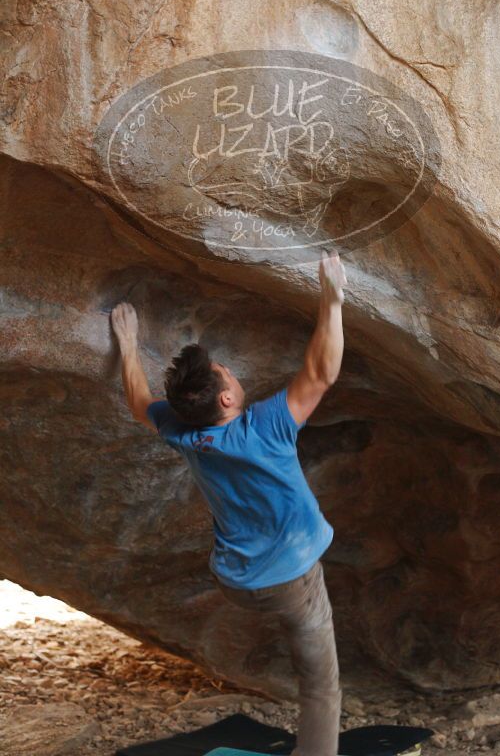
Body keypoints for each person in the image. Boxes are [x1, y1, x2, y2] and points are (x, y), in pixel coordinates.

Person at [111, 248, 347, 756]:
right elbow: (321, 371)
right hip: (293, 581)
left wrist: (127, 345)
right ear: (226, 399)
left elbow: (137, 401)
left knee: (283, 620)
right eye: (228, 372)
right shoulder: (266, 427)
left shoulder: (180, 430)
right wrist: (332, 296)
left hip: (237, 581)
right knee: (322, 689)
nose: (232, 373)